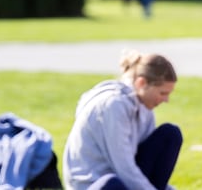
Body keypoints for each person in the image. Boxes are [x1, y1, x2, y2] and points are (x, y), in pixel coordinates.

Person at [62, 50, 183, 190]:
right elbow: (124, 167)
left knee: (170, 134)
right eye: (162, 93)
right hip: (97, 185)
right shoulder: (113, 106)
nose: (166, 100)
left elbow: (139, 165)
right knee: (112, 183)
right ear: (141, 83)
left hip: (121, 179)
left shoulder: (144, 107)